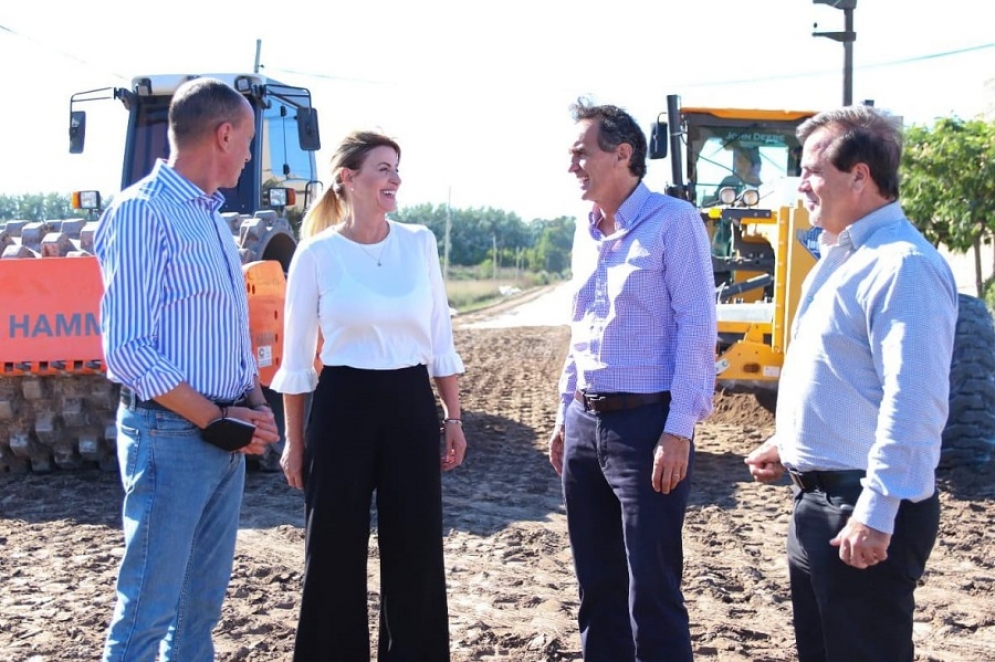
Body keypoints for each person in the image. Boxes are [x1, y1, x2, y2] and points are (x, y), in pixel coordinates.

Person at [744, 106, 957, 662]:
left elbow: (914, 401)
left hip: (860, 508)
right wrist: (787, 443)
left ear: (859, 176)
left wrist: (876, 510)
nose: (802, 184)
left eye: (813, 169)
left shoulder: (902, 265)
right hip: (820, 500)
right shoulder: (840, 257)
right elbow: (841, 373)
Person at [94, 77, 280, 661]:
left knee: (197, 619)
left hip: (219, 439)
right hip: (169, 438)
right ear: (224, 134)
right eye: (248, 141)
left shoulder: (211, 220)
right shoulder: (142, 213)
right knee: (146, 618)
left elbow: (227, 332)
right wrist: (215, 417)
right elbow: (126, 348)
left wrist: (252, 405)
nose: (250, 155)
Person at [272, 130, 467, 661]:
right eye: (382, 168)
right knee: (332, 550)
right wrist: (295, 441)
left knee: (416, 548)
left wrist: (453, 416)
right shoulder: (315, 254)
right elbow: (295, 362)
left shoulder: (420, 242)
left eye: (396, 169)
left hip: (409, 403)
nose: (394, 179)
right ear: (348, 179)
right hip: (342, 407)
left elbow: (439, 340)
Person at [549, 100, 717, 661]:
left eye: (582, 152)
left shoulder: (674, 222)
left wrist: (678, 430)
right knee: (597, 589)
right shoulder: (587, 229)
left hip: (645, 428)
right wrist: (563, 415)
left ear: (623, 154)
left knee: (652, 589)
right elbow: (583, 326)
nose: (572, 163)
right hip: (583, 425)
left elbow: (697, 326)